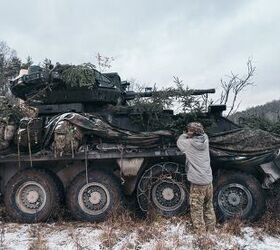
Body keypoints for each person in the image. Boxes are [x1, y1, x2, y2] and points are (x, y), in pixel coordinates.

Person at [177, 122, 216, 234]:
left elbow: (179, 142)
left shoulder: (188, 144)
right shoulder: (206, 140)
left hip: (198, 183)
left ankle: (201, 235)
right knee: (208, 206)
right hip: (208, 181)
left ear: (192, 133)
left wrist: (185, 135)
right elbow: (201, 134)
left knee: (196, 210)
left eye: (189, 130)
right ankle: (211, 231)